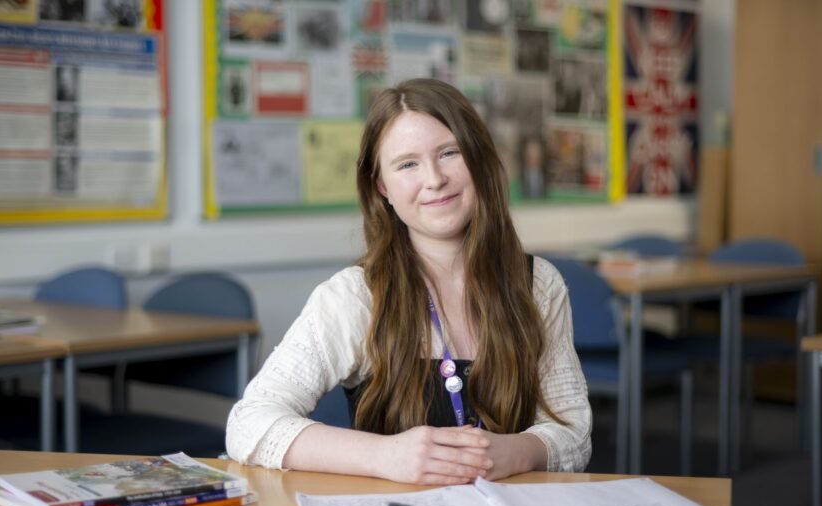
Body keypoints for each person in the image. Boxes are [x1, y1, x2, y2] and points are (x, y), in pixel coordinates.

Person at [226, 78, 591, 485]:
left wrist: (516, 451)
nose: (434, 179)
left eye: (449, 153)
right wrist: (385, 456)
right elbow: (248, 424)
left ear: (479, 159)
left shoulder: (539, 285)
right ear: (383, 187)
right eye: (407, 164)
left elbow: (574, 432)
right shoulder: (354, 297)